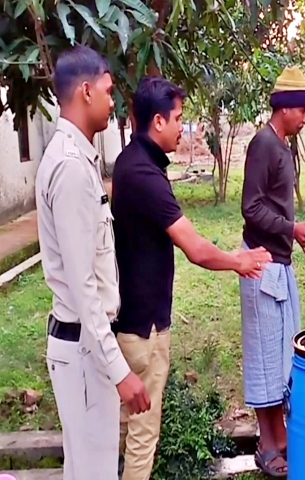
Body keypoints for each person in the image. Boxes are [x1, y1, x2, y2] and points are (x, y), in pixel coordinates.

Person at [111, 76, 271, 480]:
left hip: (131, 320)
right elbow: (195, 248)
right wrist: (239, 260)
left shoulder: (131, 164)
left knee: (125, 430)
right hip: (142, 329)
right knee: (141, 437)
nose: (184, 128)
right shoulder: (143, 175)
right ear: (158, 121)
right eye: (179, 118)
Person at [35, 46, 150, 480]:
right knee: (93, 473)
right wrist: (120, 372)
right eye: (106, 91)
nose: (111, 102)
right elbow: (84, 289)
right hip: (83, 347)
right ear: (85, 91)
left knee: (89, 469)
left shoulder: (79, 158)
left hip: (87, 348)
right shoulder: (69, 169)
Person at [240, 66, 305, 477]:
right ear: (284, 108)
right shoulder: (264, 145)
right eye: (302, 110)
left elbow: (274, 206)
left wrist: (297, 235)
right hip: (260, 264)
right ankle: (267, 442)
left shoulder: (282, 145)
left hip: (279, 262)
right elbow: (250, 208)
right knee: (266, 359)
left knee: (282, 355)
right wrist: (291, 229)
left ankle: (279, 435)